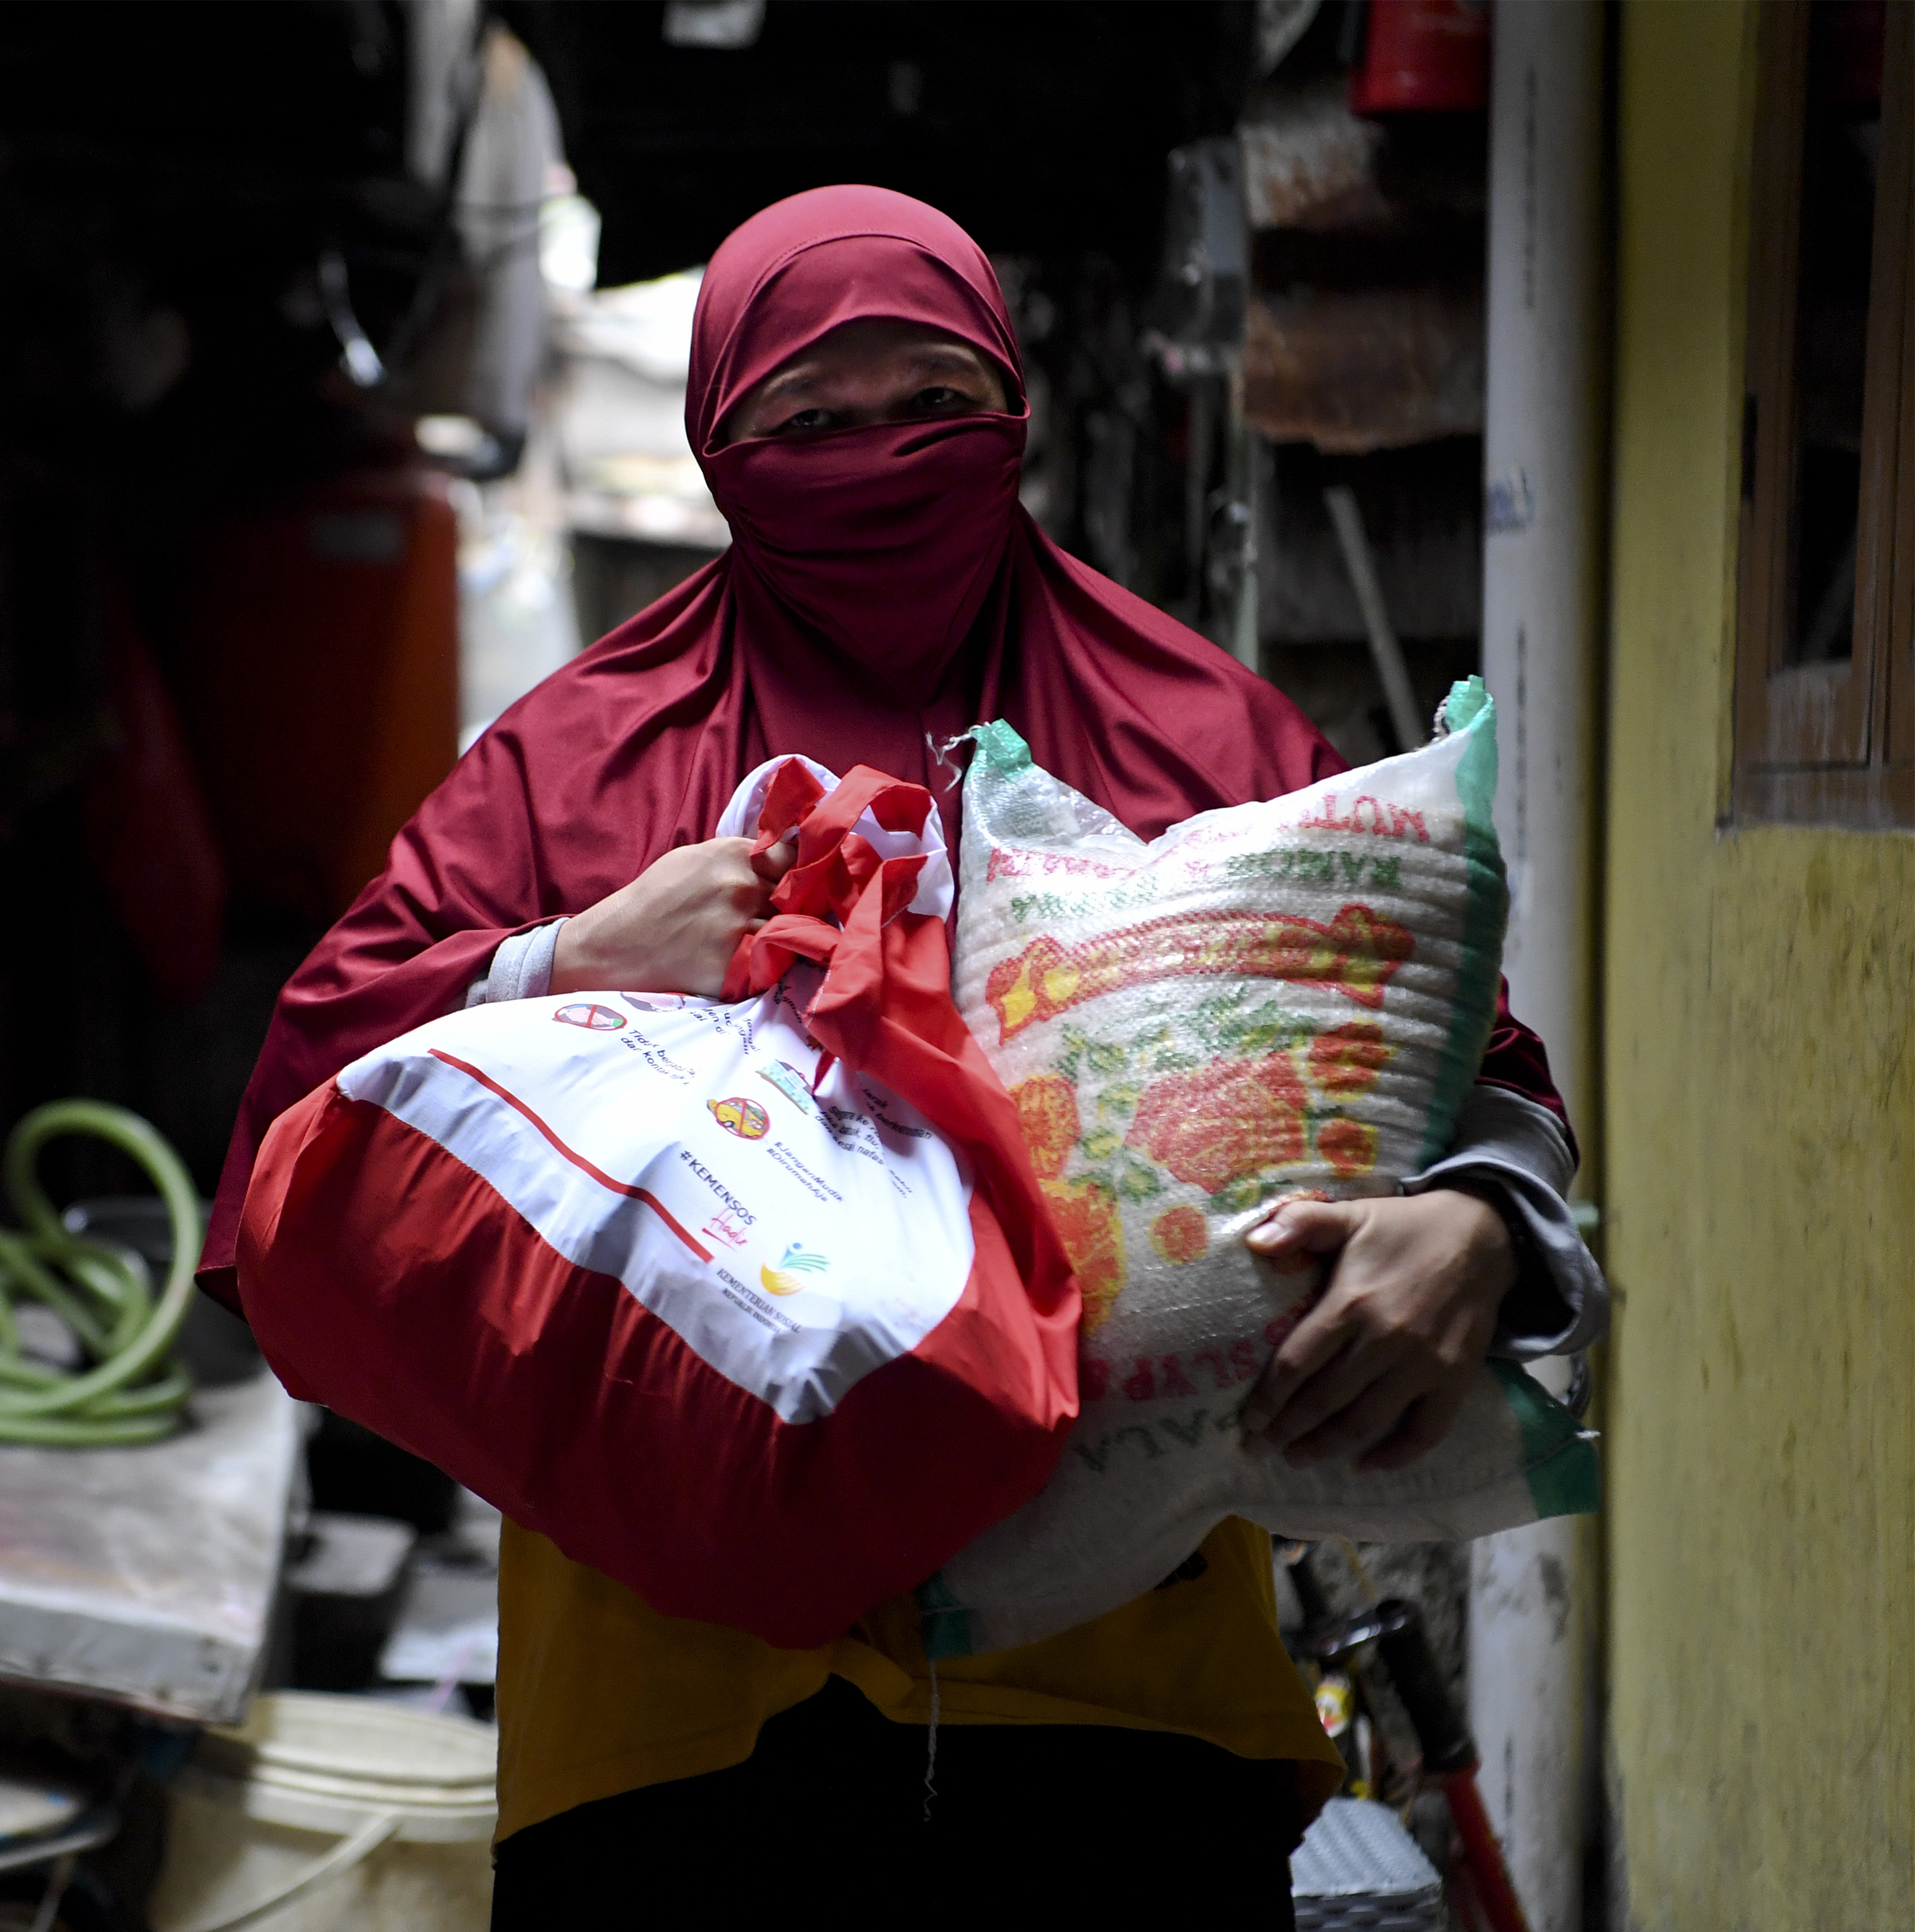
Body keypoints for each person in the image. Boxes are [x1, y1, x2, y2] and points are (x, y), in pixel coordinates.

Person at [201, 187, 1604, 1928]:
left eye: (931, 402)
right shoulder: (571, 765)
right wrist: (568, 956)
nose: (874, 456)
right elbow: (297, 1120)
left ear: (1010, 405)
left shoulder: (1192, 732)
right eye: (804, 422)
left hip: (1125, 1715)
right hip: (670, 1734)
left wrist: (1472, 1222)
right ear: (720, 446)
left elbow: (1470, 1064)